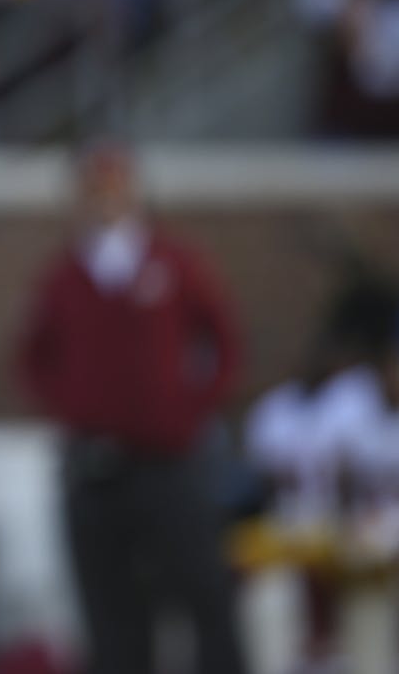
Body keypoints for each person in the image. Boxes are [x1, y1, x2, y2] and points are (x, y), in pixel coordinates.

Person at [14, 141, 246, 674]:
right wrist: (74, 407)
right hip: (94, 468)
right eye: (94, 188)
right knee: (112, 611)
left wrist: (190, 408)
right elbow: (32, 359)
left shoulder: (174, 262)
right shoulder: (66, 275)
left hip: (169, 460)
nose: (105, 199)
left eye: (114, 186)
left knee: (203, 591)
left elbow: (225, 343)